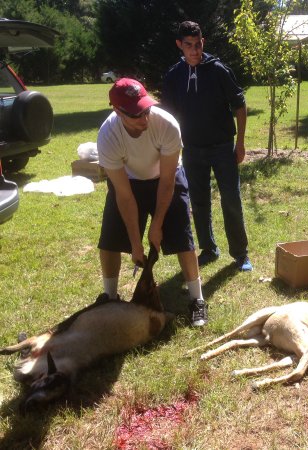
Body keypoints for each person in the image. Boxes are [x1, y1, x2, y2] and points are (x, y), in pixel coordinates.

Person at [96, 77, 207, 327]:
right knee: (110, 239)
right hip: (129, 182)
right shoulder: (108, 136)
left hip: (165, 178)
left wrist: (156, 225)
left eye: (146, 109)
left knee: (182, 238)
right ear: (117, 111)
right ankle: (109, 297)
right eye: (136, 114)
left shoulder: (167, 124)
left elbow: (167, 182)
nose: (144, 118)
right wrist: (136, 244)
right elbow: (124, 195)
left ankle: (197, 299)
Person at [161, 20, 252, 272]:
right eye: (189, 45)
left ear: (203, 42)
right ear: (179, 45)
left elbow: (240, 105)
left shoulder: (218, 70)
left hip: (222, 147)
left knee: (231, 199)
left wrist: (240, 143)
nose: (195, 50)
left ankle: (240, 253)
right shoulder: (174, 76)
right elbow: (167, 116)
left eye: (198, 44)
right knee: (199, 202)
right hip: (191, 149)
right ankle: (209, 248)